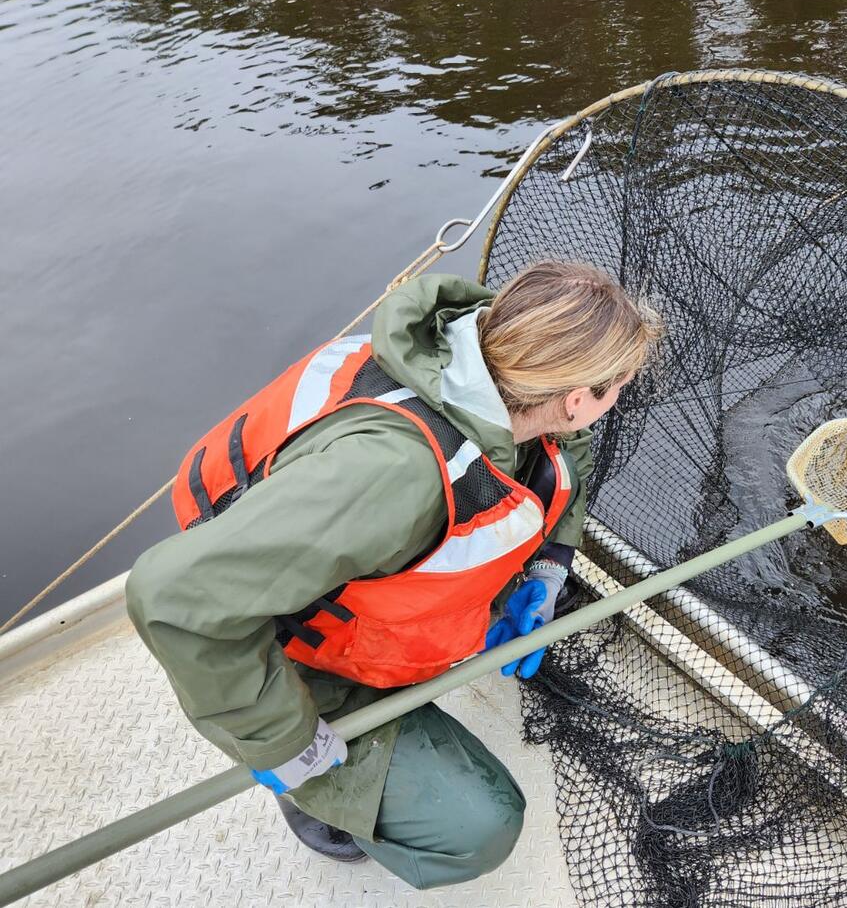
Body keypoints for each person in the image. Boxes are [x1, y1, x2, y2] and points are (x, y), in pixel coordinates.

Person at [126, 261, 662, 890]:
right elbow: (172, 595)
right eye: (616, 386)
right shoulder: (395, 477)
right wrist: (281, 741)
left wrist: (548, 566)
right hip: (290, 648)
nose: (616, 400)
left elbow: (566, 449)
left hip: (333, 568)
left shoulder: (488, 357)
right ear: (577, 399)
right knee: (477, 830)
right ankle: (317, 797)